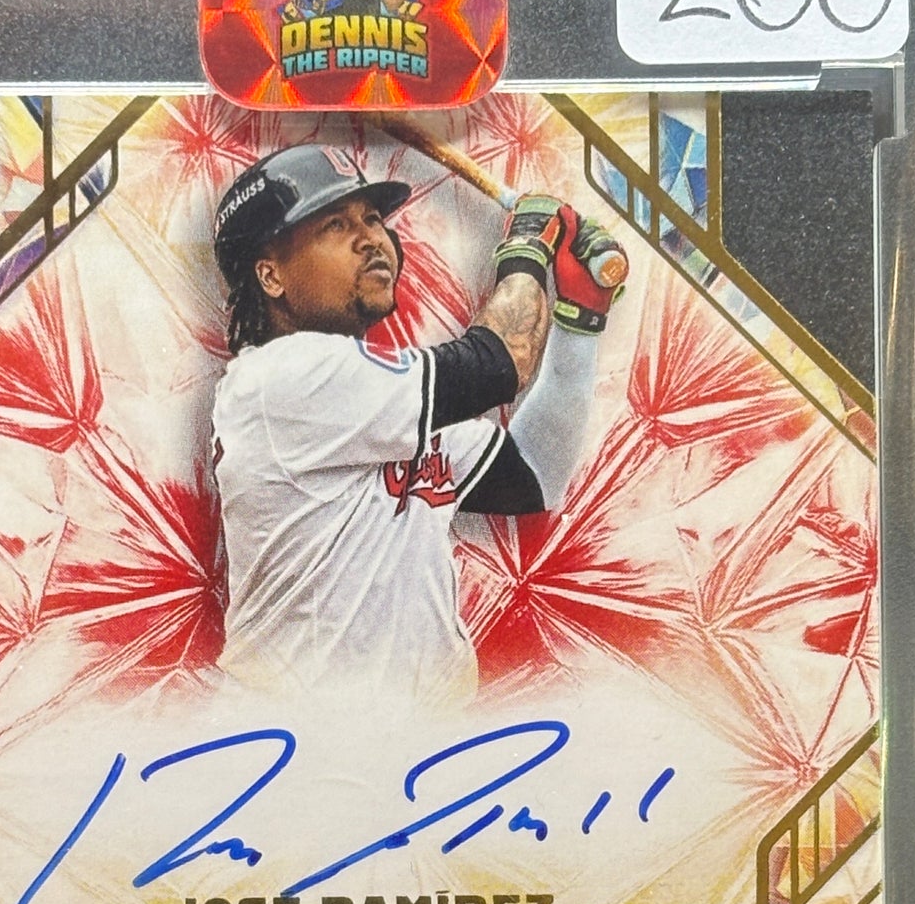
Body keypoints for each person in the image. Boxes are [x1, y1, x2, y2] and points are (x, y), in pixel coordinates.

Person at [209, 144, 623, 700]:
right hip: (297, 732)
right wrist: (526, 248)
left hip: (418, 739)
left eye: (372, 218)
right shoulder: (279, 379)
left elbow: (532, 476)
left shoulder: (381, 398)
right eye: (335, 224)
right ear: (271, 275)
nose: (370, 238)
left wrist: (581, 319)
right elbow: (499, 363)